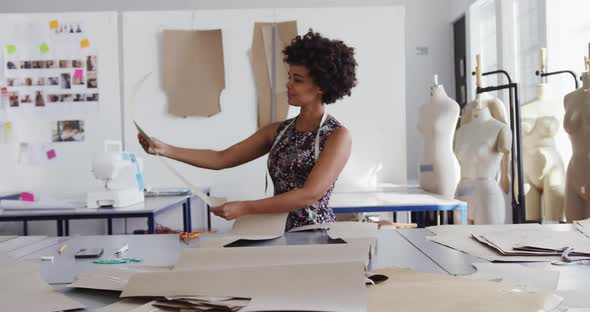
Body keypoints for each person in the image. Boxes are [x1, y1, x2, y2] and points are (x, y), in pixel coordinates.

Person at [138, 30, 357, 230]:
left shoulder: (337, 136)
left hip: (315, 235)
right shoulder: (278, 132)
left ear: (322, 86)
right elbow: (221, 158)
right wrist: (166, 149)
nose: (288, 84)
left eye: (297, 80)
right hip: (276, 231)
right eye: (289, 77)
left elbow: (308, 195)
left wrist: (245, 207)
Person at [454, 94, 512, 224]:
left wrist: (505, 175)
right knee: (457, 243)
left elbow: (507, 154)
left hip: (486, 195)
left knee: (489, 241)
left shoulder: (501, 129)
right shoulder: (460, 131)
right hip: (461, 193)